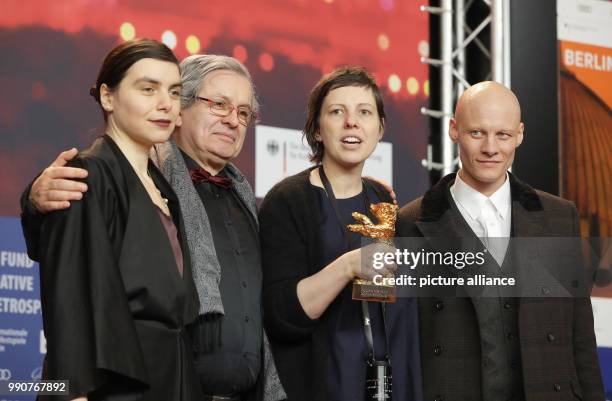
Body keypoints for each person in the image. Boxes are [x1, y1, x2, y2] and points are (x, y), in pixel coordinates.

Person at [21, 55, 286, 401]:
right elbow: (72, 295)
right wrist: (34, 199)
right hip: (145, 384)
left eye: (243, 112)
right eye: (219, 105)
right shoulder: (142, 177)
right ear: (181, 110)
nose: (232, 120)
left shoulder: (247, 200)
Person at [396, 81, 605, 401]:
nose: (490, 148)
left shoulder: (560, 217)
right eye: (477, 133)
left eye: (503, 135)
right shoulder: (412, 222)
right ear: (454, 130)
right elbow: (405, 342)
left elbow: (579, 335)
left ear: (519, 134)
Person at [33, 38, 202, 400]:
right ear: (108, 97)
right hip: (112, 386)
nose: (165, 104)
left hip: (171, 380)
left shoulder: (164, 188)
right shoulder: (86, 175)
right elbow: (70, 304)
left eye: (173, 92)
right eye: (148, 89)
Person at [258, 67, 422, 401]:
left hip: (380, 382)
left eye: (364, 112)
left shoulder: (381, 199)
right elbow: (281, 316)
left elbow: (386, 300)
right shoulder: (288, 199)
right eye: (337, 112)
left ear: (379, 129)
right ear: (317, 130)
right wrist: (348, 266)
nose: (352, 123)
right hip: (318, 385)